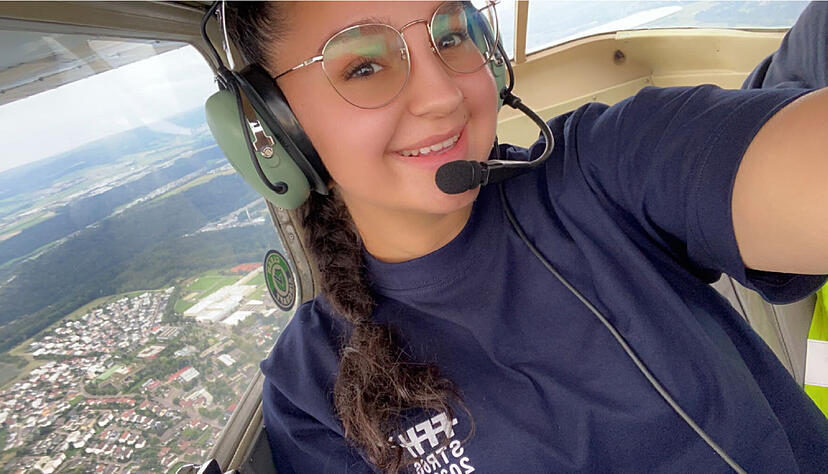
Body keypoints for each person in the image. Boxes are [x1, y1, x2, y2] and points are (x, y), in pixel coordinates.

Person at [222, 2, 828, 472]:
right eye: (365, 66)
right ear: (275, 124)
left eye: (450, 35)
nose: (444, 95)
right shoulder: (310, 390)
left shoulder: (601, 166)